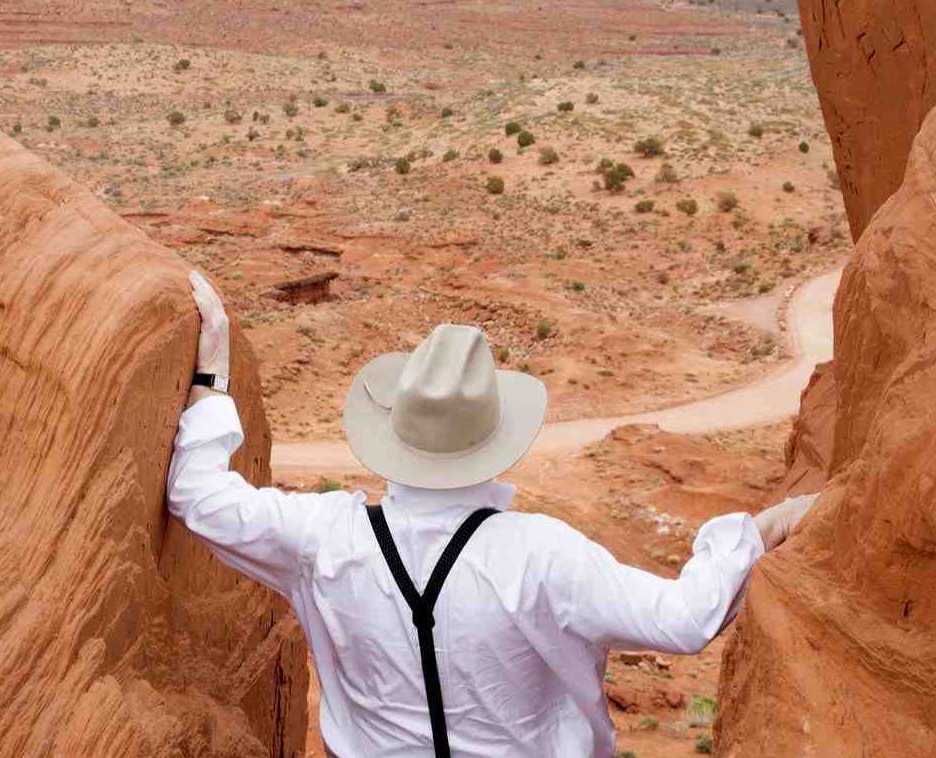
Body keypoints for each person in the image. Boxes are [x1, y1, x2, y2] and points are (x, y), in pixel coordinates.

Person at [166, 271, 817, 758]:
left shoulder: (322, 538)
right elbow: (685, 619)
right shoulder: (542, 554)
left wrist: (211, 379)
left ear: (394, 434)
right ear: (492, 445)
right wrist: (760, 529)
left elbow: (197, 497)